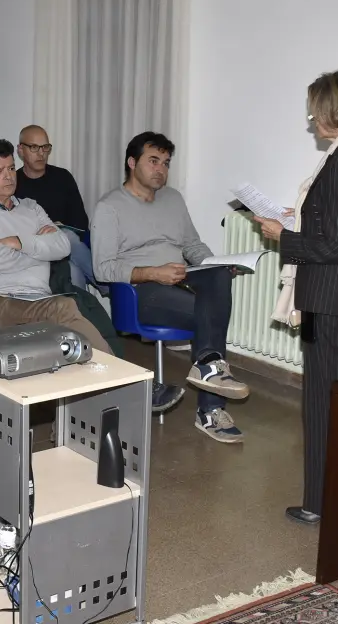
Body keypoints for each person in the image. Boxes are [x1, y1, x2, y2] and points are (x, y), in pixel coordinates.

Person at [251, 70, 338, 525]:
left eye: (315, 112)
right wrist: (303, 217)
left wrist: (283, 236)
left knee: (323, 400)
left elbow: (334, 246)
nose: (311, 121)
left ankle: (318, 502)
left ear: (336, 109)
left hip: (330, 298)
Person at [91, 132, 251, 444]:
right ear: (132, 162)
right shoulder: (109, 207)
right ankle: (210, 406)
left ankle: (207, 365)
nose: (160, 169)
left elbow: (192, 245)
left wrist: (215, 264)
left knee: (218, 275)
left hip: (181, 278)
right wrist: (154, 272)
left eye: (165, 163)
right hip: (140, 290)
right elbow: (103, 268)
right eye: (153, 161)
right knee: (210, 314)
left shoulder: (173, 199)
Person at [0, 138, 111, 353]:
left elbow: (62, 246)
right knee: (63, 309)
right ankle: (115, 372)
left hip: (40, 297)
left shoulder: (31, 208)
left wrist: (19, 242)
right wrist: (40, 250)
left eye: (11, 168)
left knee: (78, 315)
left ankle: (105, 369)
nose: (8, 176)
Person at [14, 125, 94, 289]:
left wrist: (59, 228)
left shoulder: (62, 177)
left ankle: (99, 293)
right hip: (34, 251)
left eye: (45, 147)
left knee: (73, 270)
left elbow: (81, 223)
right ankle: (107, 282)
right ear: (21, 150)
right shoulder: (12, 184)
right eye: (34, 147)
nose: (41, 153)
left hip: (67, 252)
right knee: (67, 238)